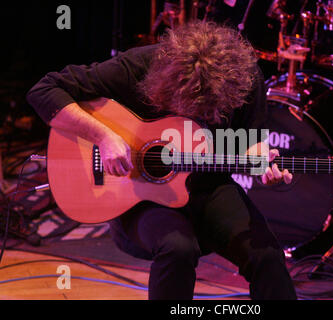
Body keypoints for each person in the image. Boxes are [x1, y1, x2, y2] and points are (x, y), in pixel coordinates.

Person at [26, 20, 297, 300]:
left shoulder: (244, 78)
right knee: (178, 249)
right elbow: (44, 91)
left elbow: (249, 141)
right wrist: (103, 137)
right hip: (135, 193)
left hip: (207, 185)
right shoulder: (142, 65)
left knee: (266, 254)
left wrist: (261, 162)